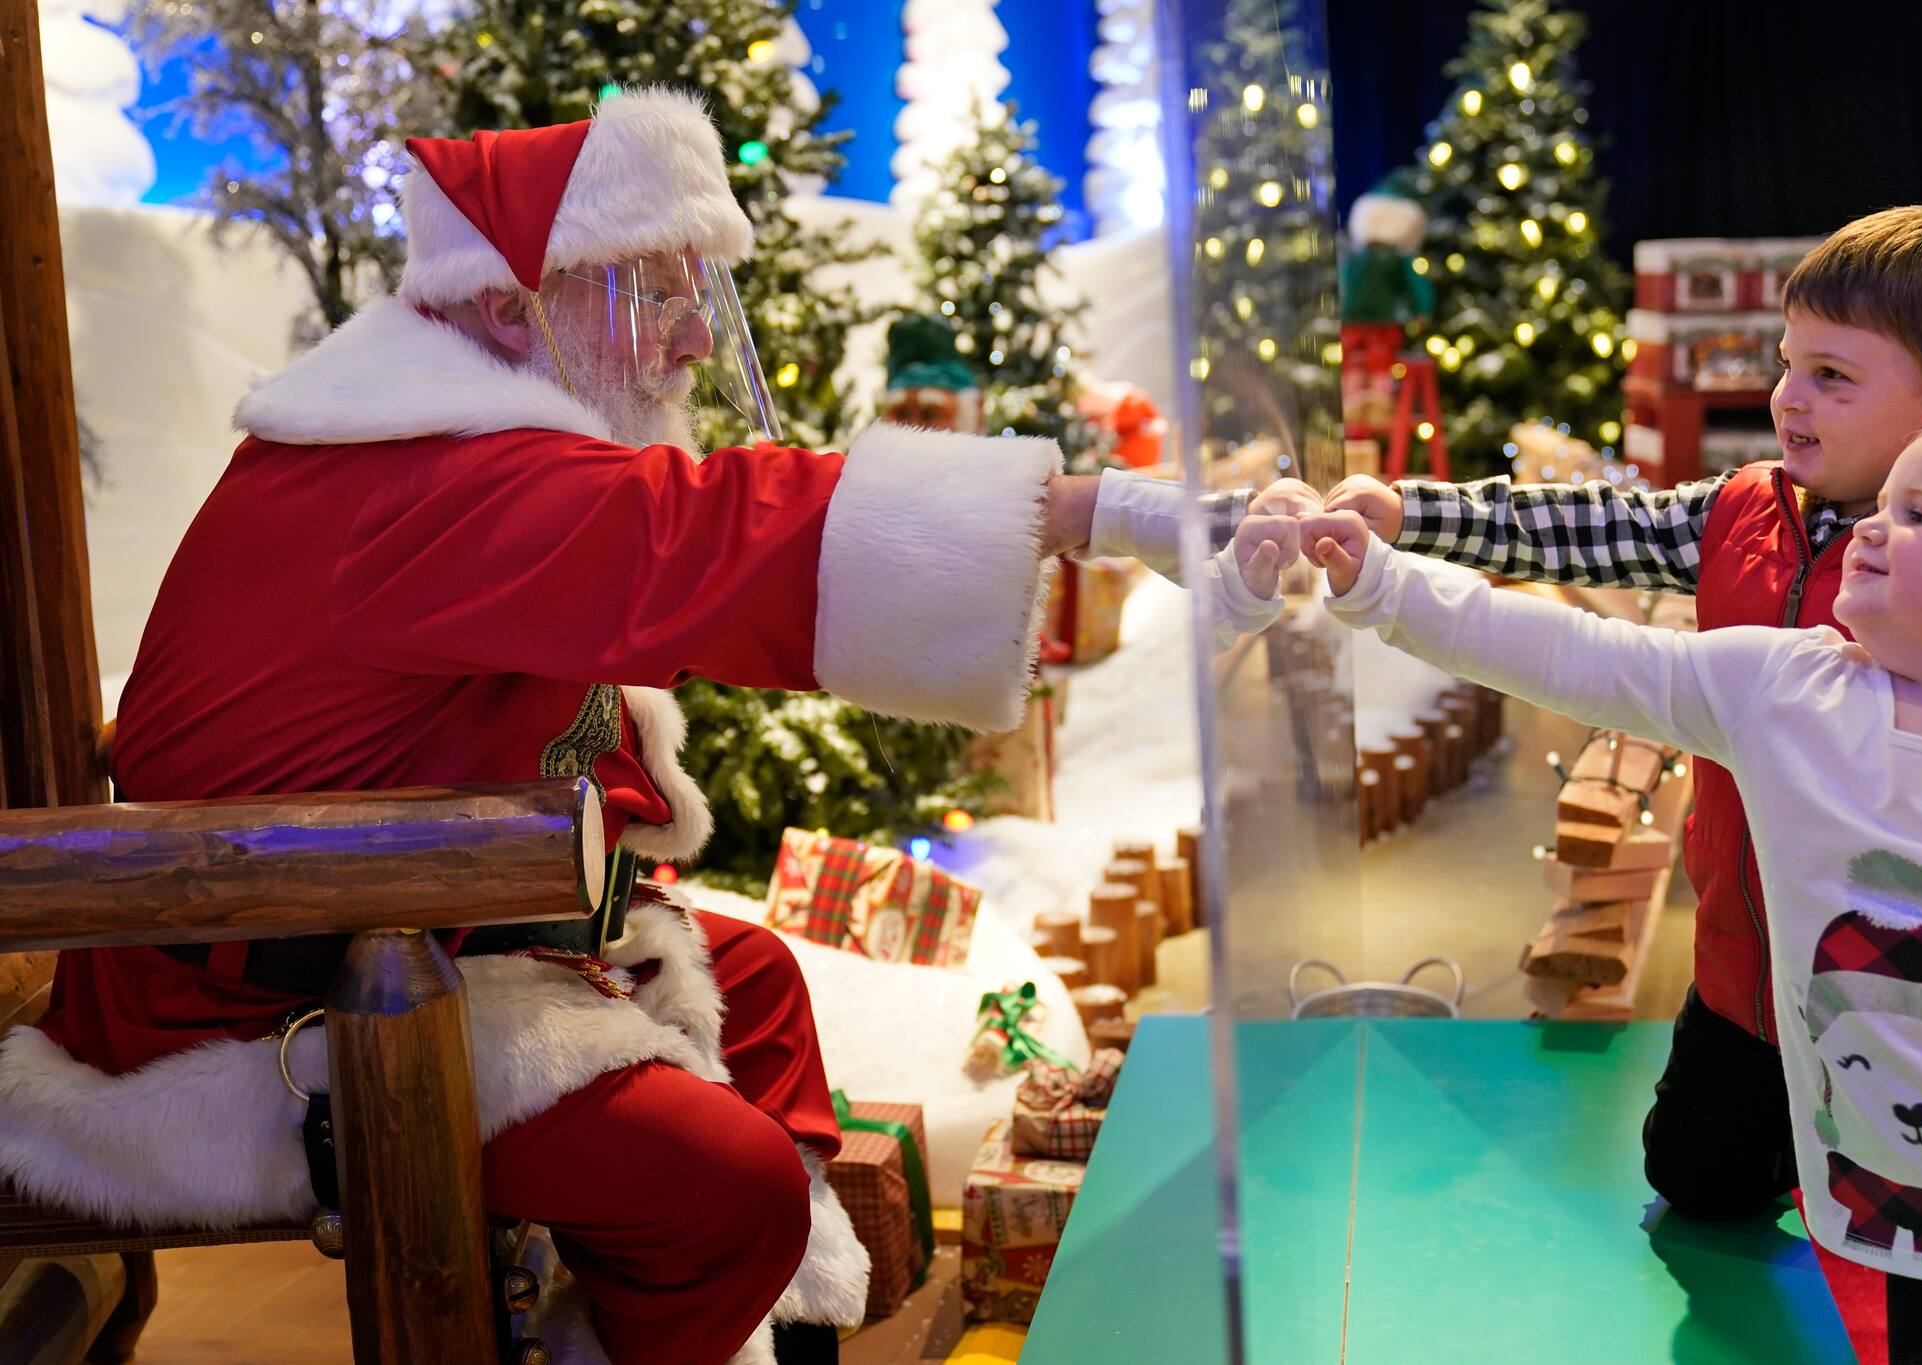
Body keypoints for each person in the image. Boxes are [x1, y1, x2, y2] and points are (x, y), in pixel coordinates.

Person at [0, 89, 1284, 1365]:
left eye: (694, 295)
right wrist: (1098, 511)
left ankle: (702, 1326)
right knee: (721, 1183)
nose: (689, 339)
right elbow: (715, 531)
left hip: (399, 932)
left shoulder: (438, 445)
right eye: (649, 295)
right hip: (262, 1020)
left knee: (758, 985)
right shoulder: (427, 471)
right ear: (508, 306)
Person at [1316, 206, 1922, 1220]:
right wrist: (1410, 515)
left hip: (1918, 1016)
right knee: (1698, 1178)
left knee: (1919, 1220)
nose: (1788, 397)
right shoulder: (1743, 510)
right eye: (1787, 364)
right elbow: (1588, 528)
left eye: (1832, 375)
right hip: (1740, 975)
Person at [1305, 401, 1922, 1362]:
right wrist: (1379, 583)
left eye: (1920, 514)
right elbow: (1581, 657)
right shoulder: (1789, 690)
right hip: (1898, 1194)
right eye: (1883, 505)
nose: (1868, 528)